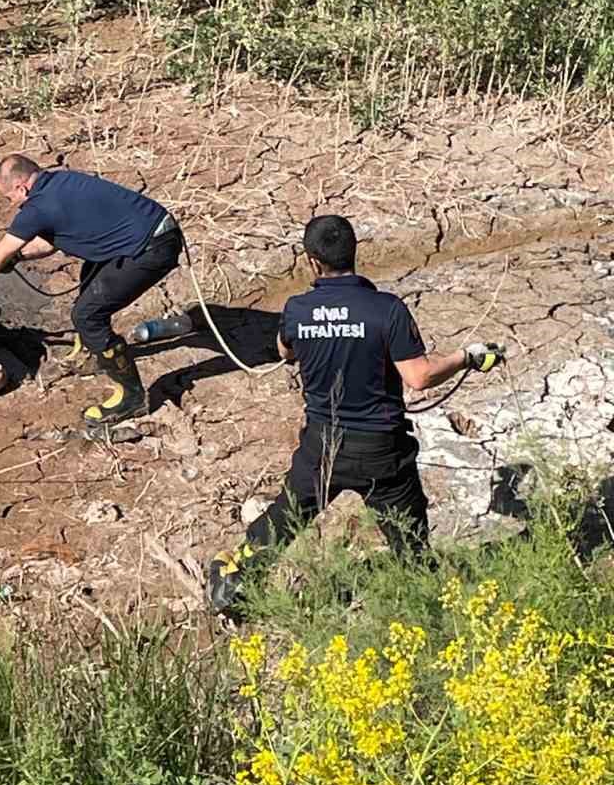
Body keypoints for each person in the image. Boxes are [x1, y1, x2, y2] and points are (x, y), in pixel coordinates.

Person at [205, 214, 505, 613]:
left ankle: (235, 584)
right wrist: (466, 357)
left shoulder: (297, 309)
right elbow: (419, 376)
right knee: (409, 540)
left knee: (287, 516)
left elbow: (284, 351)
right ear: (355, 253)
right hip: (382, 450)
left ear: (312, 261)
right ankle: (419, 604)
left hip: (322, 446)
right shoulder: (387, 310)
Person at [0, 155, 182, 426]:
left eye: (9, 198)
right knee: (90, 276)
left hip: (151, 249)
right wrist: (16, 258)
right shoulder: (63, 181)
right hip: (152, 230)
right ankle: (93, 350)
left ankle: (132, 398)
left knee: (88, 316)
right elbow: (48, 242)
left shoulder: (37, 208)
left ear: (21, 188)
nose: (12, 204)